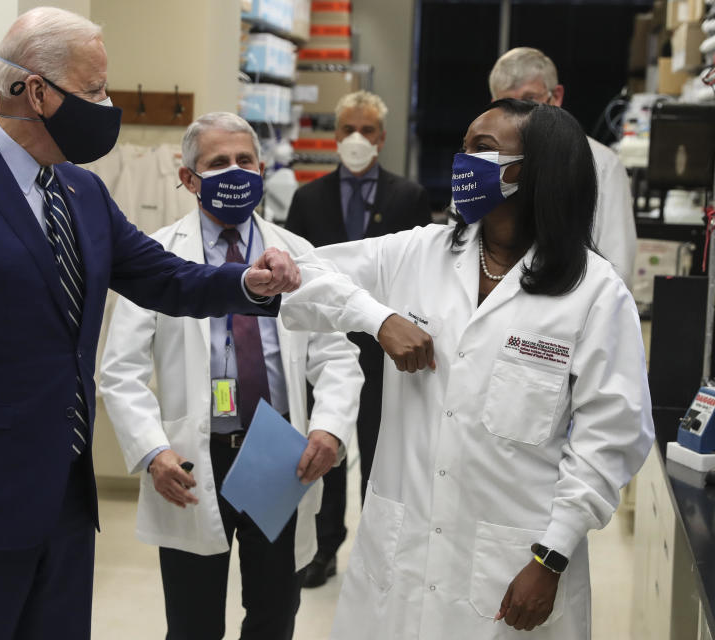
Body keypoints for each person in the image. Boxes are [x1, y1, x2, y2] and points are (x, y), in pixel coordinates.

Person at [0, 10, 301, 640]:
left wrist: (248, 283)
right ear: (37, 92)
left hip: (65, 510)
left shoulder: (80, 191)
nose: (106, 105)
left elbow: (163, 277)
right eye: (95, 90)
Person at [280, 99, 654, 639]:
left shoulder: (594, 294)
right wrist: (377, 317)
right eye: (463, 148)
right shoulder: (420, 253)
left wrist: (550, 558)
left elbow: (609, 439)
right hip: (400, 555)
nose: (462, 163)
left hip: (513, 565)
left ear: (536, 170)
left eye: (483, 150)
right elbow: (298, 270)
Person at [98, 112, 363, 640]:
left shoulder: (297, 255)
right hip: (192, 460)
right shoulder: (158, 257)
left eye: (245, 161)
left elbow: (336, 356)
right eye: (218, 163)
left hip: (277, 451)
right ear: (188, 179)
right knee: (193, 622)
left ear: (263, 170)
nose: (235, 171)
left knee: (273, 613)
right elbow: (119, 371)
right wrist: (152, 451)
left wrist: (330, 428)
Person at [285, 90, 431, 588]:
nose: (355, 139)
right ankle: (324, 548)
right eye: (347, 128)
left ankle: (376, 552)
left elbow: (420, 276)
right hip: (323, 349)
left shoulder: (407, 196)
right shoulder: (308, 198)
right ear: (334, 136)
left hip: (384, 352)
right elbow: (297, 278)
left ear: (382, 139)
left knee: (380, 449)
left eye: (366, 130)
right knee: (325, 445)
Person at [490, 46, 637, 288]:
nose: (518, 116)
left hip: (568, 313)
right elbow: (460, 248)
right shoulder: (481, 161)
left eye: (529, 100)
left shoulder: (601, 163)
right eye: (507, 104)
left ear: (555, 96)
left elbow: (618, 267)